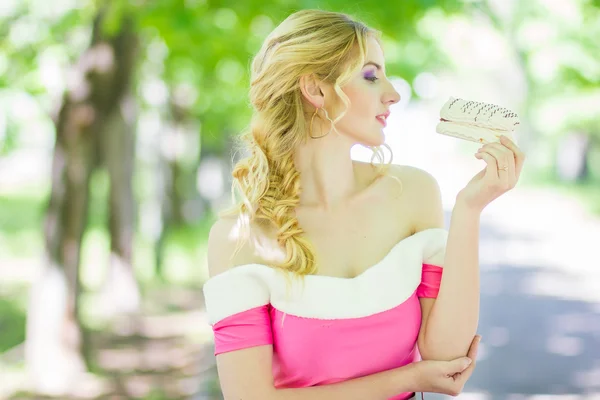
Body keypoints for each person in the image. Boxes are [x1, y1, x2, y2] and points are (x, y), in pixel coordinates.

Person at [203, 9, 526, 400]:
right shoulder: (238, 239)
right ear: (316, 90)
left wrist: (469, 211)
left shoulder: (413, 193)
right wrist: (408, 379)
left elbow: (446, 358)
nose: (394, 93)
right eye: (371, 76)